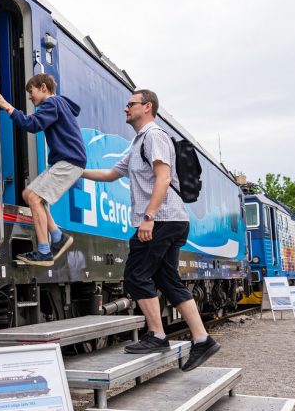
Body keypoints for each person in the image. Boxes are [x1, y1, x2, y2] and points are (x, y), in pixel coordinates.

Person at [79, 89, 220, 372]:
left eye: (130, 104)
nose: (125, 108)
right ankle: (202, 339)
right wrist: (76, 172)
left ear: (147, 107)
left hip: (162, 219)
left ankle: (157, 336)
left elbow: (163, 177)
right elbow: (110, 174)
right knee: (167, 280)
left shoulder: (154, 136)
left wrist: (148, 217)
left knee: (136, 276)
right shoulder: (138, 143)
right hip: (170, 219)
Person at [0, 73, 85, 267]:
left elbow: (31, 124)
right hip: (67, 161)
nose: (29, 96)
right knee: (29, 194)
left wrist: (7, 106)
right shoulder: (59, 104)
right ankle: (58, 237)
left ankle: (44, 251)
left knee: (34, 198)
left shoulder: (52, 103)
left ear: (43, 87)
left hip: (68, 161)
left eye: (31, 91)